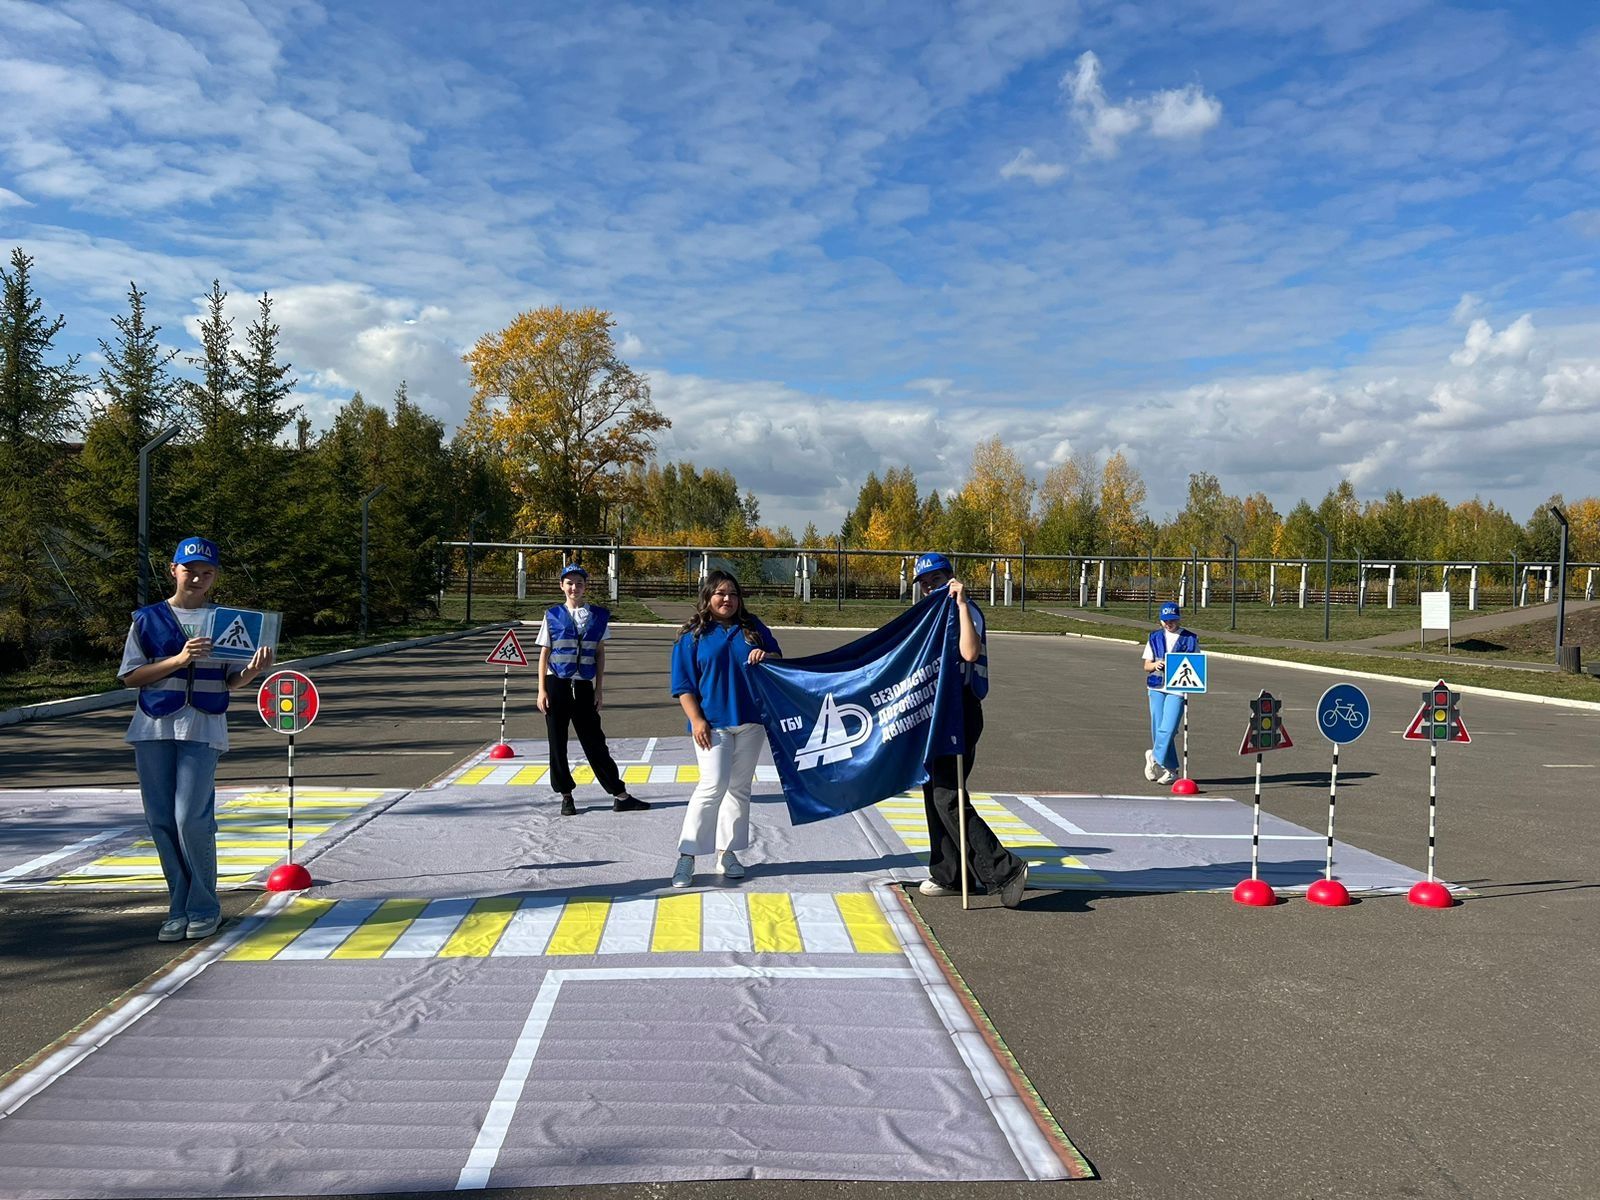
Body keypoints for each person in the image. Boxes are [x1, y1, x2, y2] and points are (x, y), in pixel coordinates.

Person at [116, 536, 273, 943]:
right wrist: (180, 660)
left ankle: (205, 907)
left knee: (191, 819)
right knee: (162, 821)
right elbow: (131, 677)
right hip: (153, 728)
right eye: (191, 570)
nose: (198, 578)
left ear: (215, 576)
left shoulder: (226, 621)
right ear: (174, 570)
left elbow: (230, 680)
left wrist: (253, 672)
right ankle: (178, 906)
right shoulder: (147, 619)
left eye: (207, 572)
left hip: (203, 729)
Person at [911, 553, 1029, 908]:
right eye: (925, 583)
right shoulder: (928, 618)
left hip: (958, 711)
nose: (931, 587)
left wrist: (960, 603)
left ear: (952, 577)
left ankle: (1004, 867)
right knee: (934, 790)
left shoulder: (966, 610)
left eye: (936, 579)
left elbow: (969, 651)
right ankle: (951, 873)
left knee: (948, 794)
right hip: (935, 712)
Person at [668, 570, 781, 889]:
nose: (727, 599)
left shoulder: (754, 628)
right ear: (707, 597)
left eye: (732, 593)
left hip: (751, 721)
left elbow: (778, 661)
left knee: (739, 788)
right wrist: (697, 720)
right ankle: (687, 855)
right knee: (712, 785)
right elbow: (683, 685)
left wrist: (767, 654)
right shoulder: (692, 634)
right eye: (720, 593)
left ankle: (727, 852)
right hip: (712, 723)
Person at [535, 562, 648, 817]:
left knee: (595, 742)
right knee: (557, 743)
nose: (574, 587)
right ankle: (566, 795)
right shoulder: (552, 615)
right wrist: (542, 690)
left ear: (586, 586)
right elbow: (544, 653)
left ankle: (620, 795)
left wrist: (599, 690)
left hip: (584, 686)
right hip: (557, 684)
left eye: (579, 583)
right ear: (562, 586)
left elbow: (600, 653)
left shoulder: (597, 616)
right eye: (569, 583)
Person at [1141, 601, 1200, 785]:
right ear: (1160, 621)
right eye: (1166, 620)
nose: (1169, 624)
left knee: (1169, 729)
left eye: (1172, 620)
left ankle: (1154, 757)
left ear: (1179, 618)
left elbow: (1197, 665)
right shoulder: (1155, 637)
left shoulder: (1190, 639)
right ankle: (1172, 769)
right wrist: (1155, 665)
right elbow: (1146, 665)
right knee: (1157, 728)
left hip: (1178, 689)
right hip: (1156, 687)